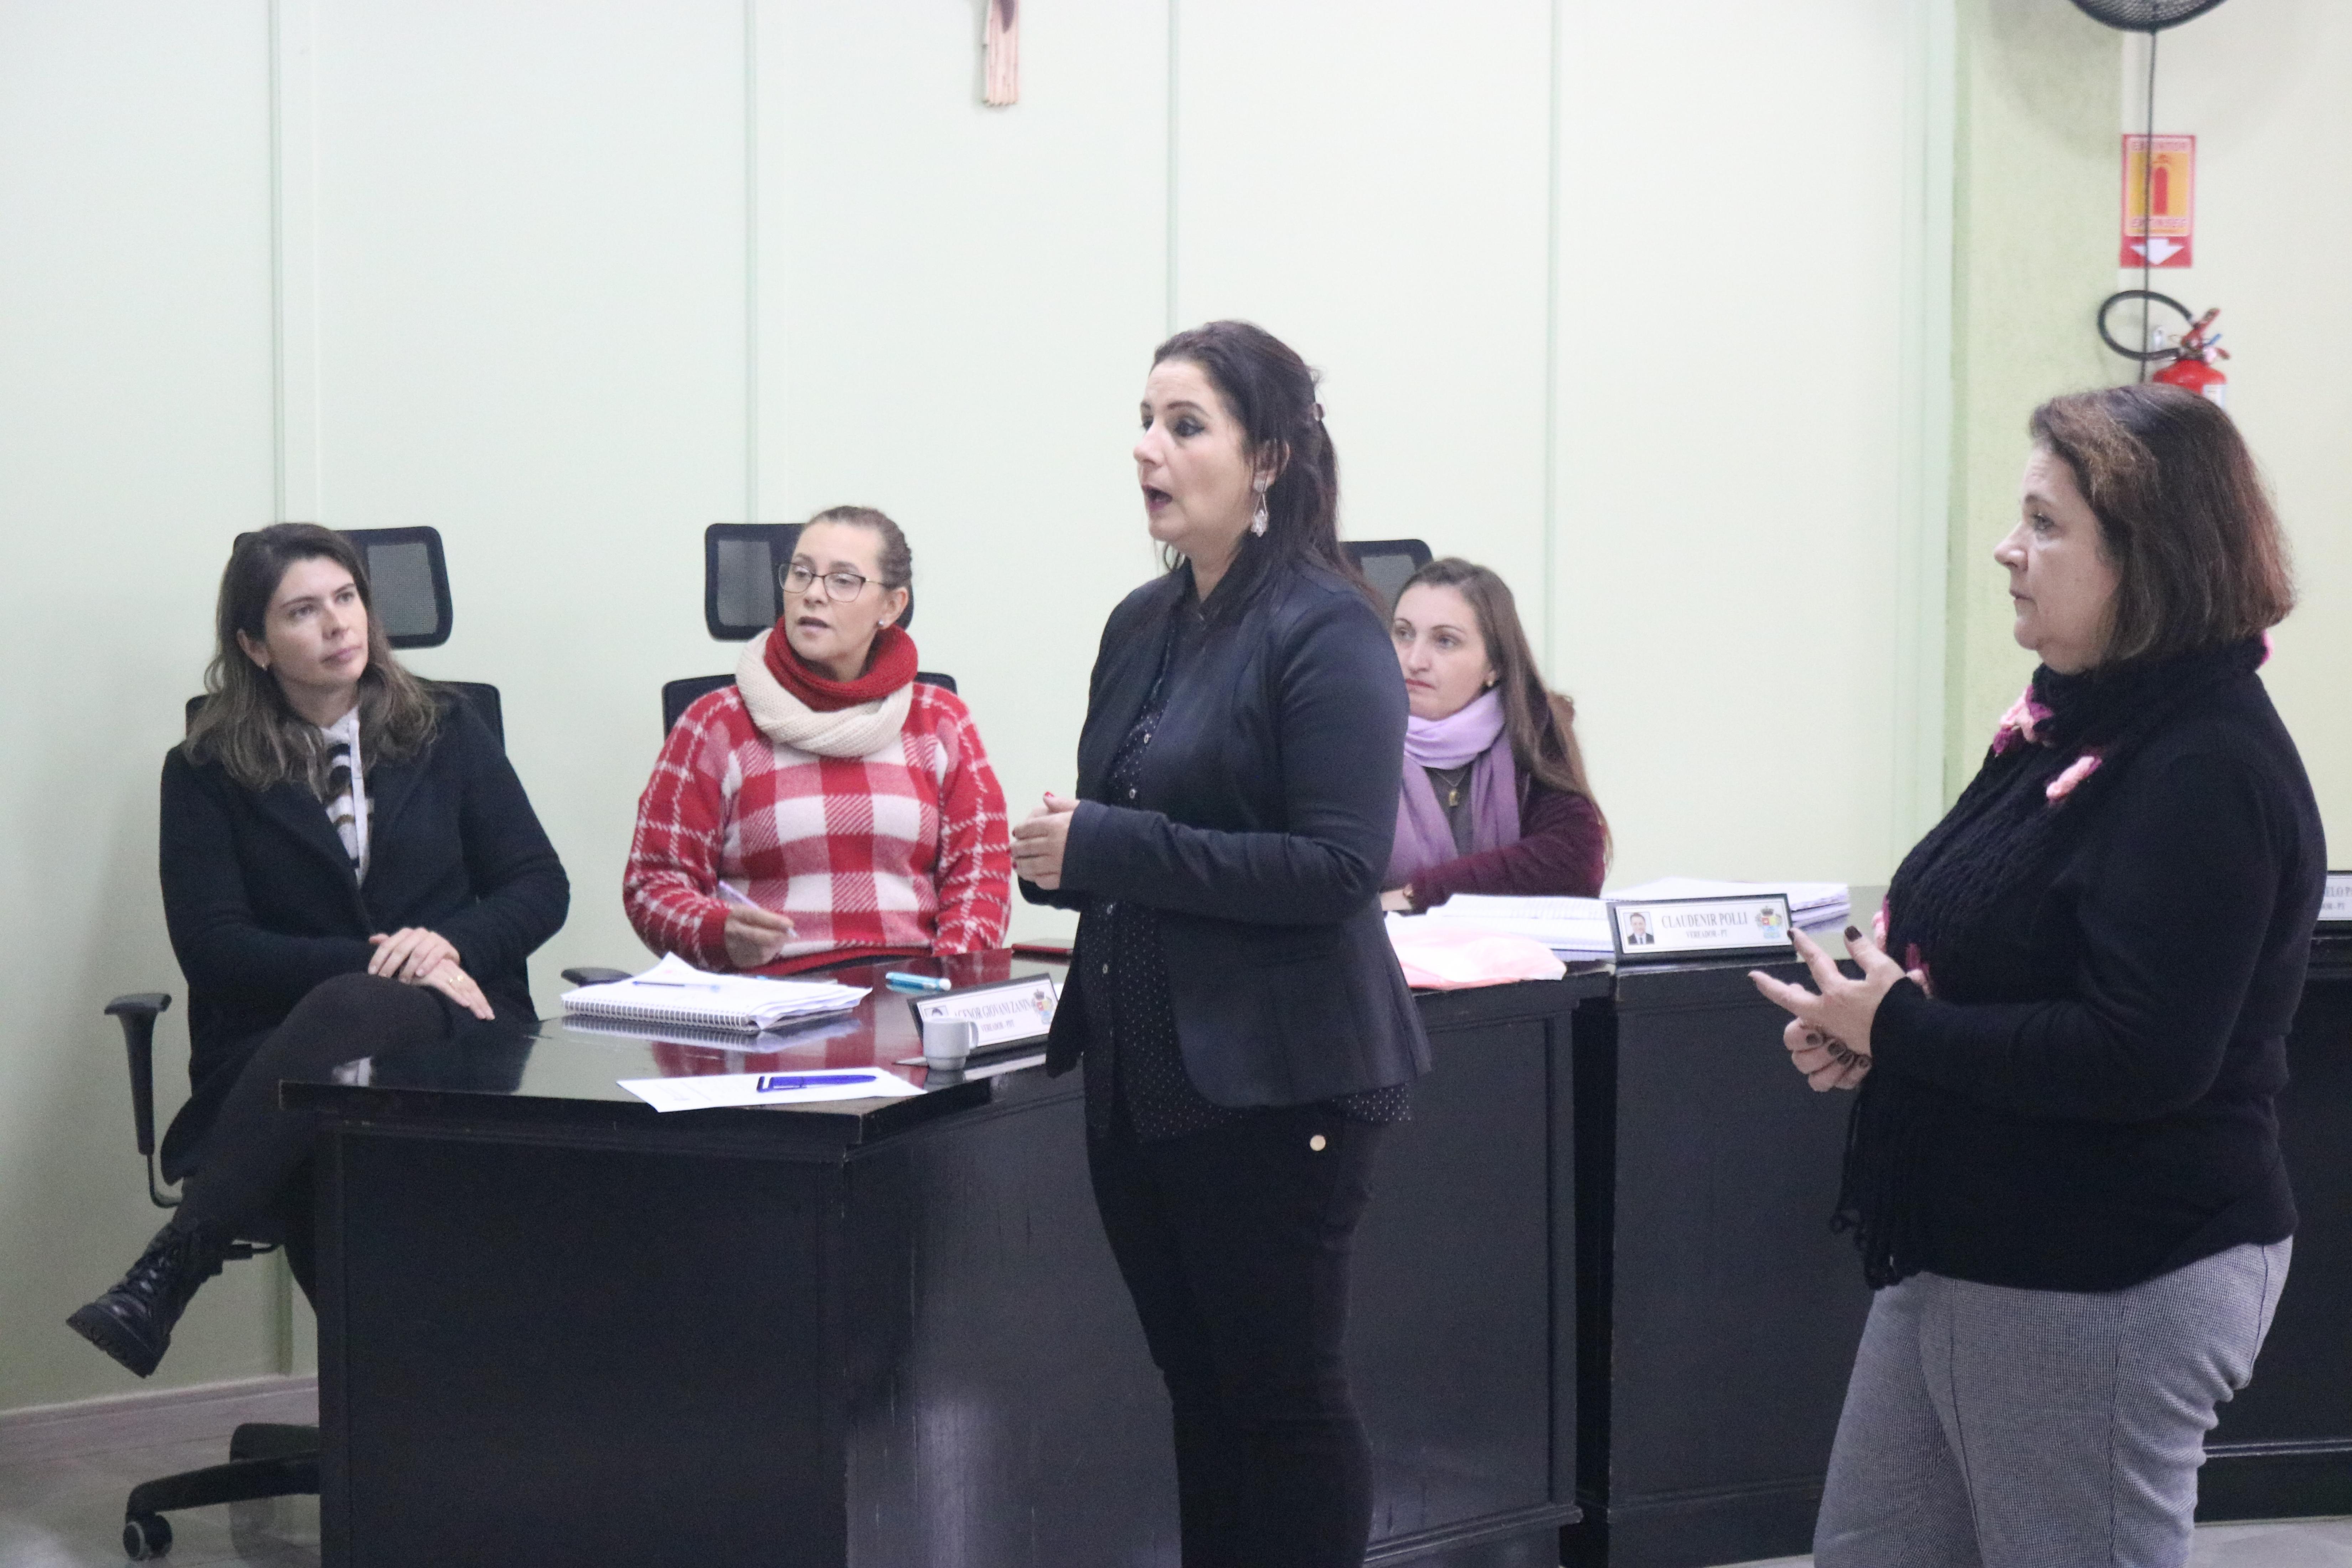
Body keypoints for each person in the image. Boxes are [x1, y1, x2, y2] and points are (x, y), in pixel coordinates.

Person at [1750, 385, 2320, 1567]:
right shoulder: (2075, 720)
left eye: (2047, 525)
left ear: (2147, 559)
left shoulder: (2204, 766)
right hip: (1973, 1240)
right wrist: (1873, 1026)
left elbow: (2141, 1057)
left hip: (2112, 1268)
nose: (2009, 550)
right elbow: (1996, 956)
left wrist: (1903, 1031)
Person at [1010, 321, 1428, 1567]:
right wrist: (1063, 857)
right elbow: (1134, 831)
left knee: (1282, 1397)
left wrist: (1108, 846)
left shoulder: (1328, 625)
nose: (1149, 448)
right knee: (1201, 1392)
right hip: (1143, 1078)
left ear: (1270, 459)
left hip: (1278, 1078)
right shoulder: (1141, 622)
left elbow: (1339, 868)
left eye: (1185, 424)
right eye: (1144, 421)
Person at [69, 525, 569, 1377]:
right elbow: (216, 948)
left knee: (325, 1092)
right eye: (303, 611)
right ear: (255, 646)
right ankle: (410, 1419)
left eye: (347, 599)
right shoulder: (203, 769)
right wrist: (382, 960)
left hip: (451, 1034)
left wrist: (443, 948)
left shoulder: (446, 729)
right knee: (328, 1111)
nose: (339, 623)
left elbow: (537, 885)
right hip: (278, 1048)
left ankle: (178, 1261)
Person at [625, 506, 1010, 975]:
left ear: (891, 607)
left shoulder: (941, 720)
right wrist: (718, 932)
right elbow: (653, 885)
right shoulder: (715, 723)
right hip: (769, 997)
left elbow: (982, 882)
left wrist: (944, 982)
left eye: (843, 581)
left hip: (913, 990)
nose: (812, 594)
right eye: (801, 573)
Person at [1379, 557, 1608, 911]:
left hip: (1505, 946)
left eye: (1445, 641)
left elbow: (1575, 860)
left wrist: (1419, 895)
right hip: (1383, 946)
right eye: (1404, 633)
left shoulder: (1529, 726)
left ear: (1495, 665)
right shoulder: (1349, 734)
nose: (1415, 660)